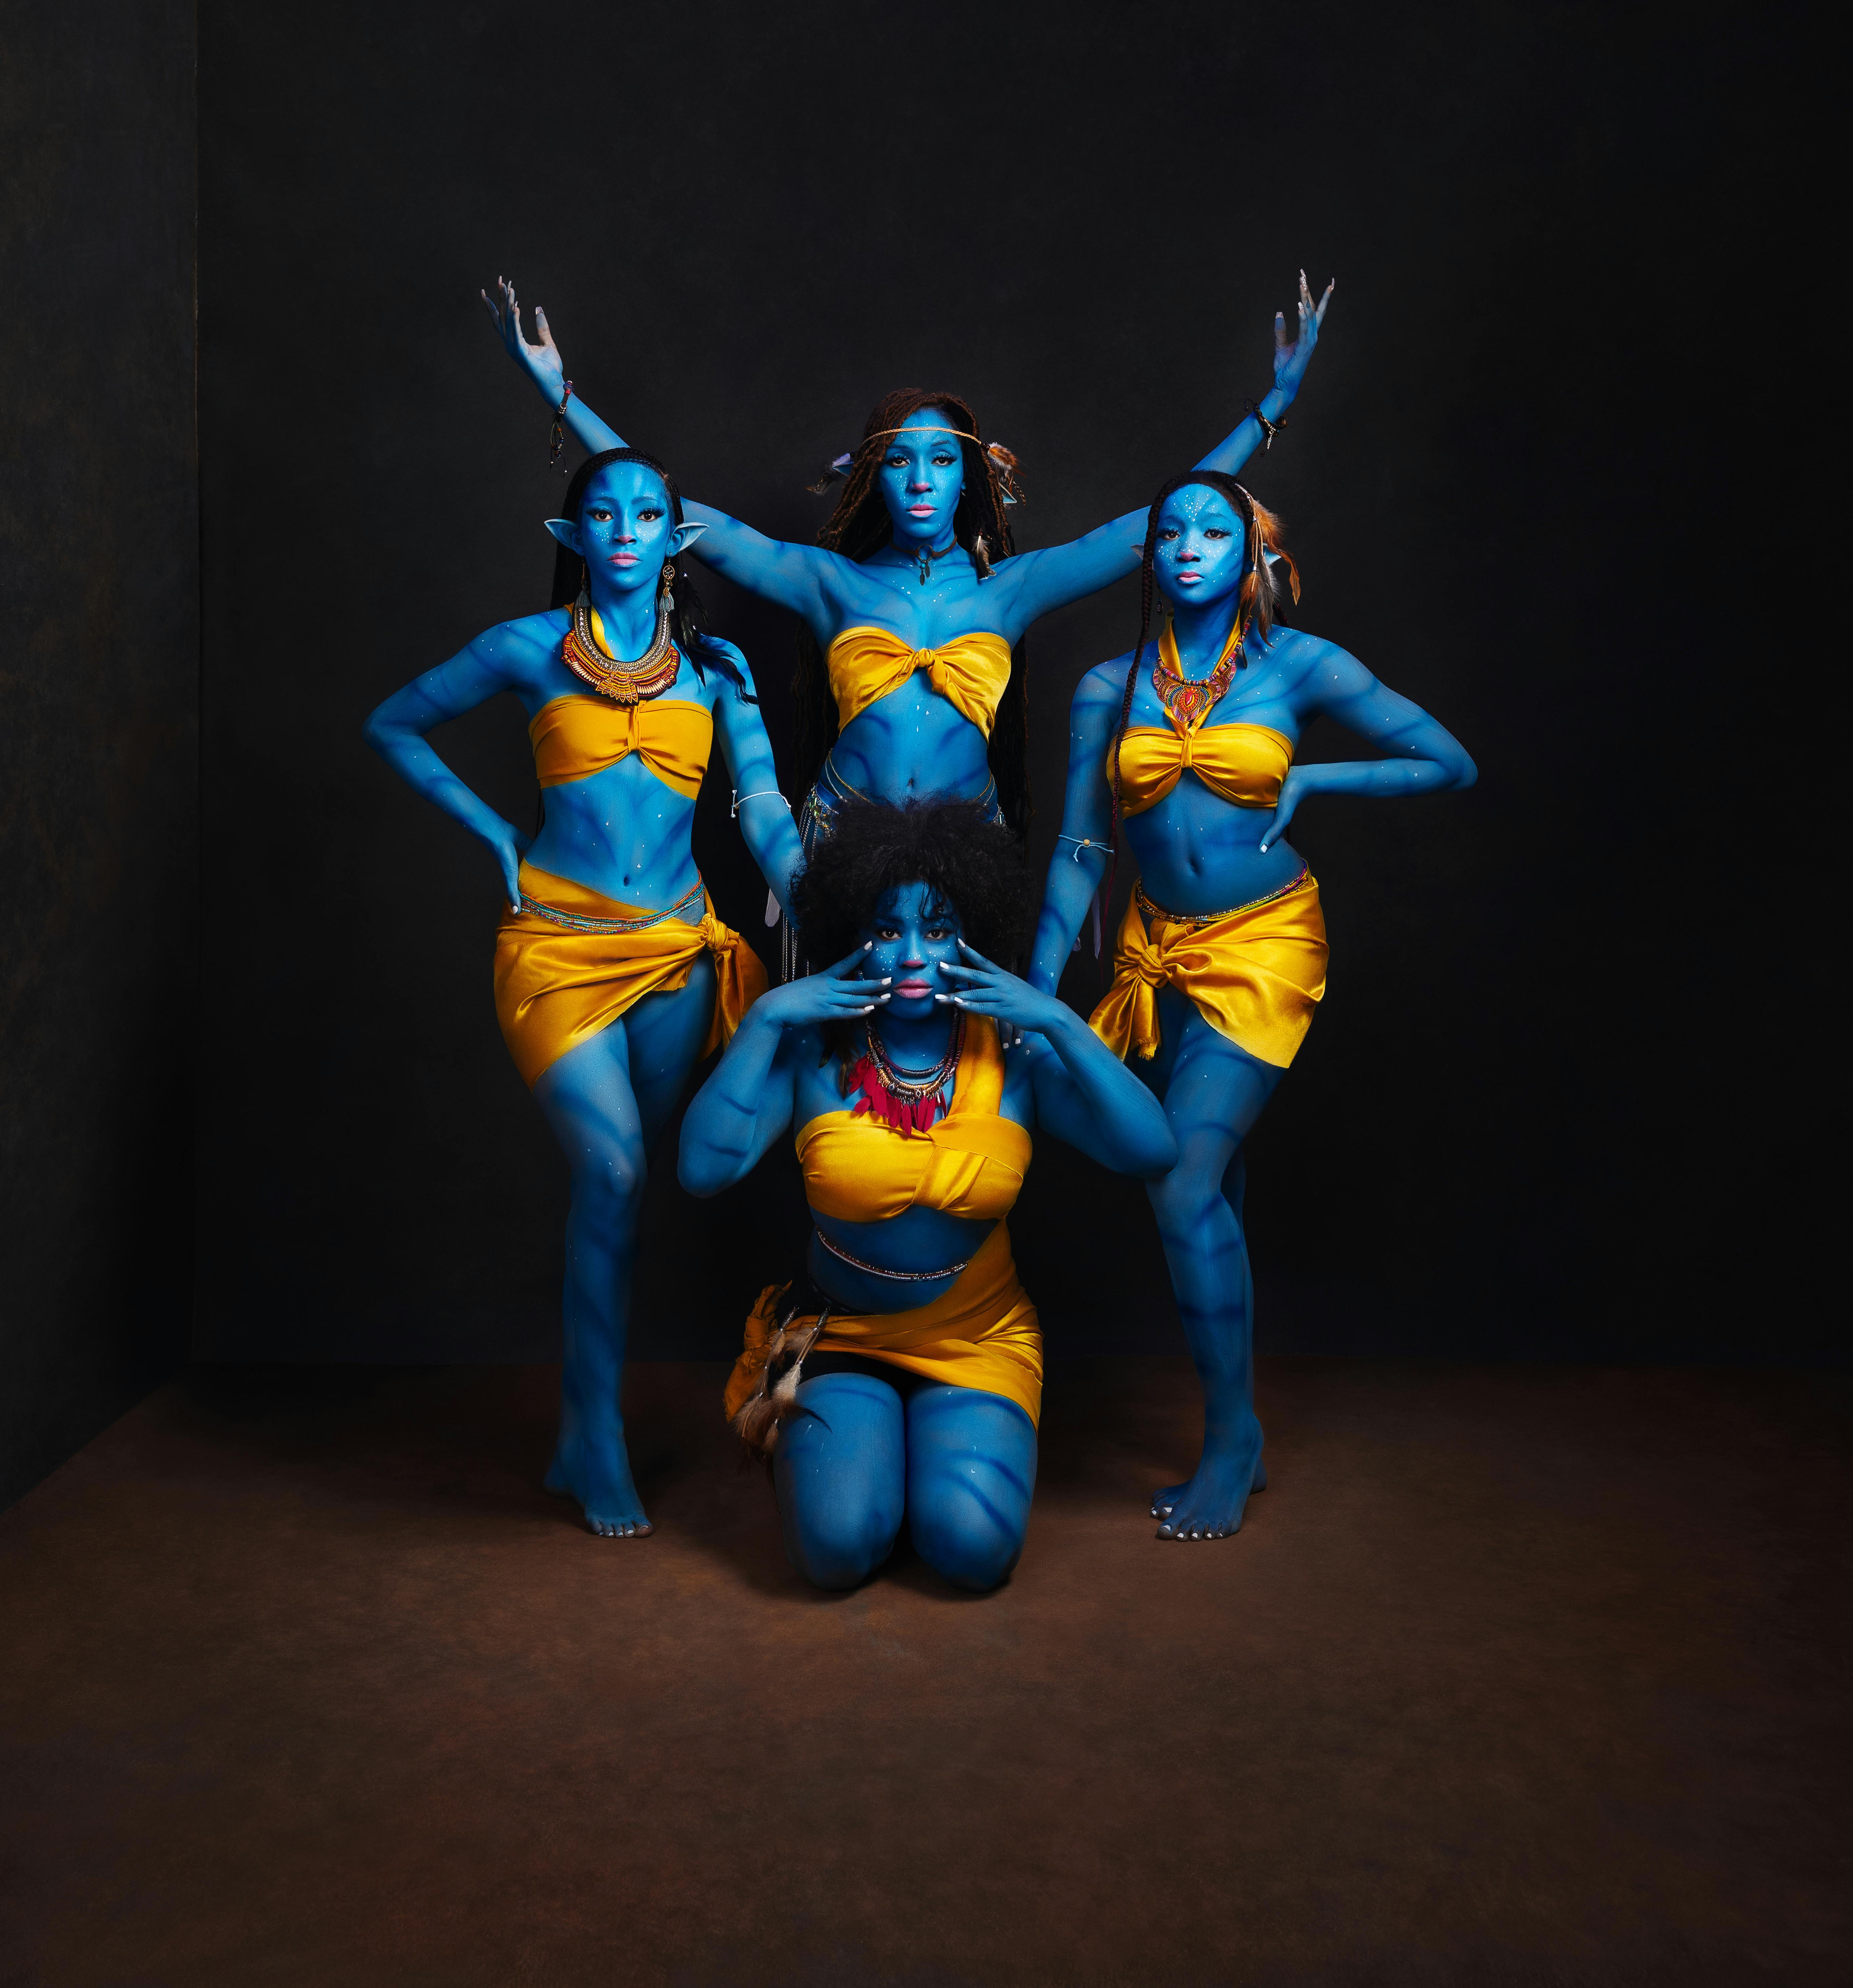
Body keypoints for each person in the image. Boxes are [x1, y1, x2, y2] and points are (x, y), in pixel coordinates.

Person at [481, 274, 1332, 844]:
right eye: (898, 461)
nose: (920, 479)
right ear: (871, 479)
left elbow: (1160, 517)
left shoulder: (1009, 590)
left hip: (968, 852)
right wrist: (560, 395)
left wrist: (1271, 408)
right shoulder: (828, 583)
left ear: (970, 477)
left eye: (940, 460)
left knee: (957, 1061)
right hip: (840, 842)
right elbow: (659, 507)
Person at [363, 446, 804, 1538]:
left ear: (674, 539)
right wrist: (491, 830)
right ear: (573, 537)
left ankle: (575, 1427)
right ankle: (600, 1436)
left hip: (676, 954)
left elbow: (758, 800)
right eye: (603, 514)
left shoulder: (718, 668)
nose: (625, 530)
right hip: (558, 949)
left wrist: (806, 887)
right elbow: (393, 722)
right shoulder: (525, 648)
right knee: (611, 1169)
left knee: (622, 1195)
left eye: (647, 515)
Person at [1028, 472, 1476, 1541]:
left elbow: (1447, 761)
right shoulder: (1107, 685)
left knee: (1182, 1178)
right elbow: (1083, 845)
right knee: (1210, 1181)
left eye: (1214, 531)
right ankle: (1245, 1431)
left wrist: (1320, 782)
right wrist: (1038, 988)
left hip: (1266, 945)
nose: (1189, 545)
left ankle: (1231, 1437)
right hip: (1156, 950)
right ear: (1151, 556)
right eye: (1172, 531)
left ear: (1251, 555)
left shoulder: (1301, 665)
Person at [678, 800, 1177, 1592]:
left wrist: (1058, 1021)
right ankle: (852, 1448)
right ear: (853, 933)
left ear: (971, 932)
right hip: (843, 1333)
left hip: (979, 1336)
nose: (912, 953)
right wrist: (766, 1017)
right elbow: (702, 1169)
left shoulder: (1013, 1052)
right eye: (886, 929)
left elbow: (1153, 1149)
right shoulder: (813, 1051)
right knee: (835, 1551)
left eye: (937, 929)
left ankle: (908, 1454)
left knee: (971, 1550)